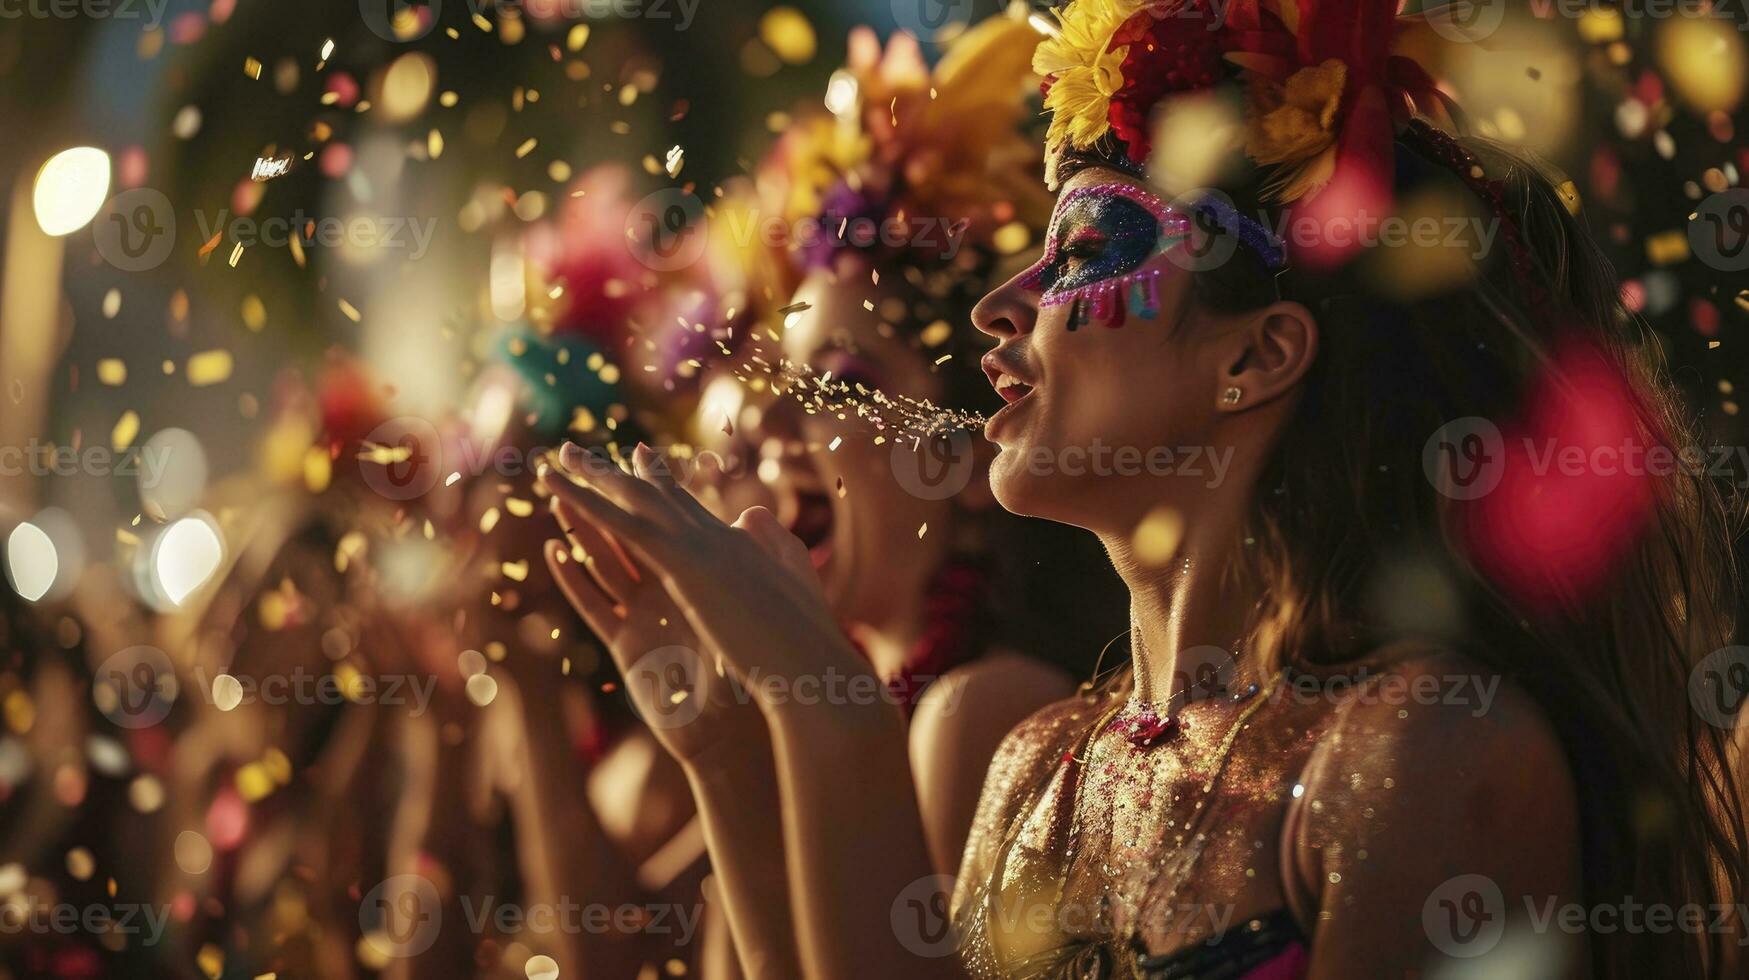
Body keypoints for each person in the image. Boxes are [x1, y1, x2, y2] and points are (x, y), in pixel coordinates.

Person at [542, 1, 1749, 977]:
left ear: (1258, 354)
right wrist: (726, 742)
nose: (995, 309)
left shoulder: (1423, 752)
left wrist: (830, 717)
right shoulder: (1041, 765)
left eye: (1080, 253)